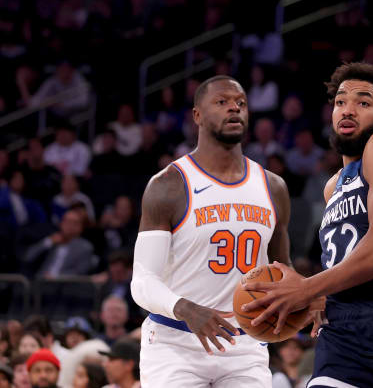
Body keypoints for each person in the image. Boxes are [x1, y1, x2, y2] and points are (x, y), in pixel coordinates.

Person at [242, 62, 373, 387]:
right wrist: (324, 294)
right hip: (342, 332)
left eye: (363, 102)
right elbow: (344, 255)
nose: (348, 110)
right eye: (340, 102)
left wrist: (308, 288)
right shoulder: (331, 186)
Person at [130, 75, 320, 387]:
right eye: (222, 102)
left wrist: (302, 298)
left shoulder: (273, 186)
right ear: (197, 116)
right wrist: (186, 309)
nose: (234, 108)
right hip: (175, 342)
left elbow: (280, 269)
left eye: (241, 103)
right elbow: (142, 282)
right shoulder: (169, 185)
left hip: (244, 343)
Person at [22, 209, 95, 278]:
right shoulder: (51, 241)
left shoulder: (85, 247)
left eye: (74, 223)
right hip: (40, 283)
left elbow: (80, 273)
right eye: (66, 221)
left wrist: (56, 277)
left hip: (64, 285)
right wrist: (48, 242)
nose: (69, 225)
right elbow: (28, 257)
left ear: (80, 227)